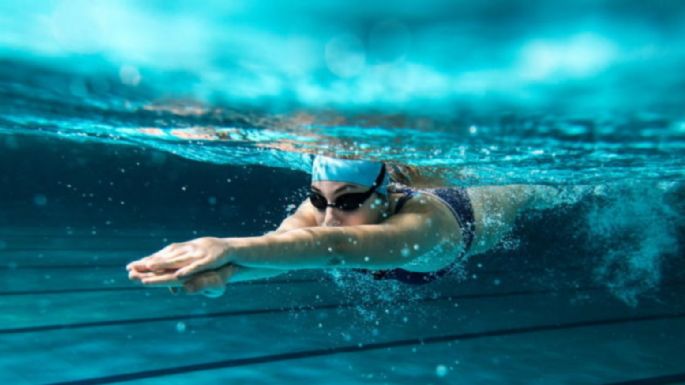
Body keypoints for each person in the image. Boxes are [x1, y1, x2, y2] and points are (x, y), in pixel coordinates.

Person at [127, 155, 563, 297]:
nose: (330, 215)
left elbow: (335, 245)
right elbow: (282, 248)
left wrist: (222, 245)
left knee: (539, 189)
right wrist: (225, 273)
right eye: (319, 199)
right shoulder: (321, 212)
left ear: (386, 196)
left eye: (350, 202)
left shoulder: (423, 225)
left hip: (485, 206)